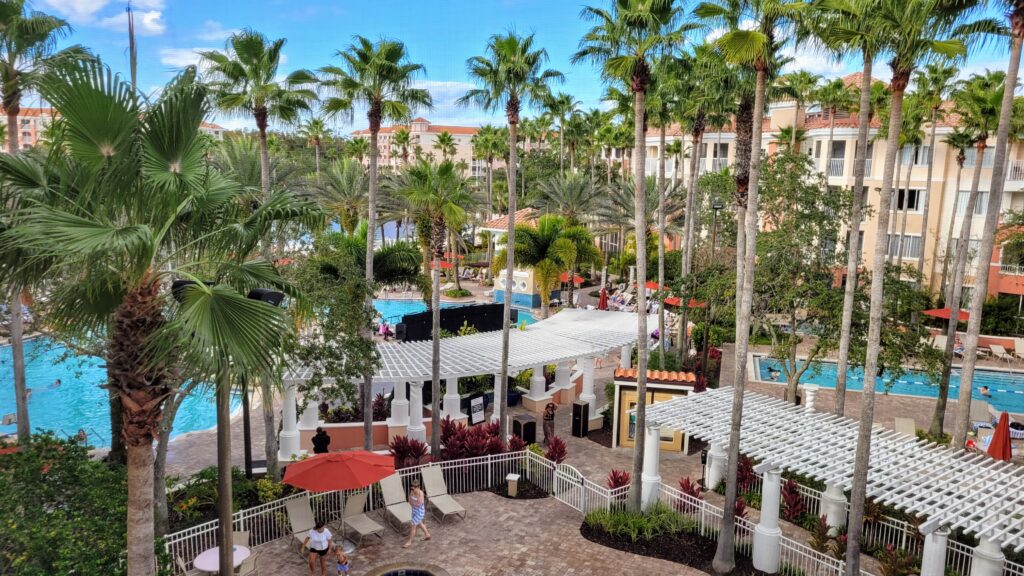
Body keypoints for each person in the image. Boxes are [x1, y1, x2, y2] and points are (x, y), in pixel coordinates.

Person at [403, 478, 430, 548]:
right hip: (414, 510)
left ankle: (409, 542)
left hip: (420, 512)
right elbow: (409, 500)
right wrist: (413, 501)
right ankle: (427, 534)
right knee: (420, 523)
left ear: (418, 487)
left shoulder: (421, 493)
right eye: (412, 488)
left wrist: (413, 501)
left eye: (414, 488)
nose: (412, 490)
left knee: (413, 525)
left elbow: (419, 503)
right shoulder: (412, 492)